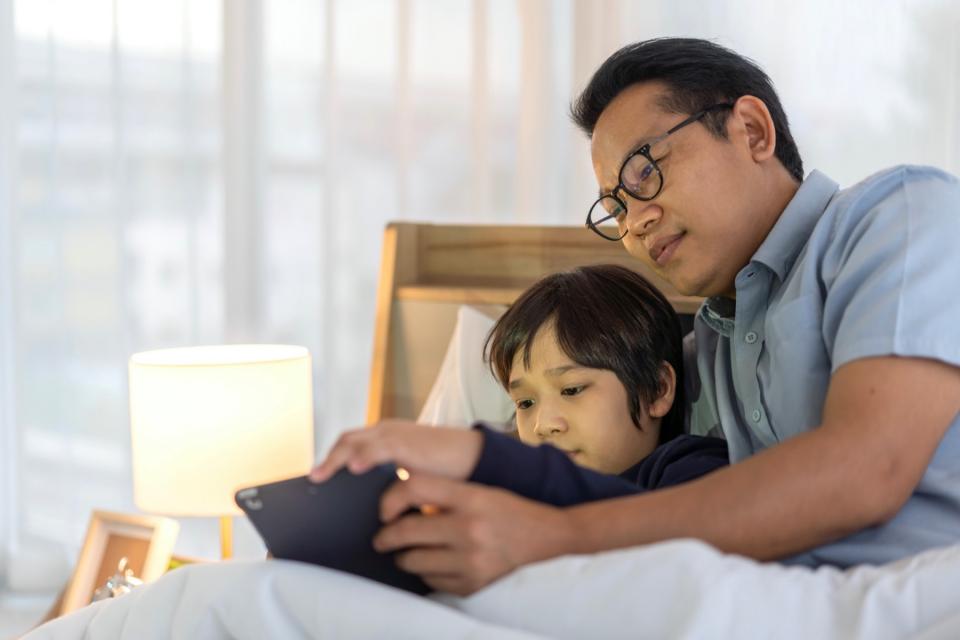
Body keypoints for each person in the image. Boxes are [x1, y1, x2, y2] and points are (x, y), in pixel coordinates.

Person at [311, 37, 960, 596]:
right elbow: (619, 478)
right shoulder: (711, 343)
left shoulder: (897, 216)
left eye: (645, 172)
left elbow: (867, 471)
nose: (635, 225)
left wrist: (555, 537)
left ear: (753, 131)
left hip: (916, 593)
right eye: (615, 208)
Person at [471, 263, 728, 504]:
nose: (543, 425)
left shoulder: (691, 473)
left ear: (656, 390)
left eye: (571, 390)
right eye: (525, 403)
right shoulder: (518, 489)